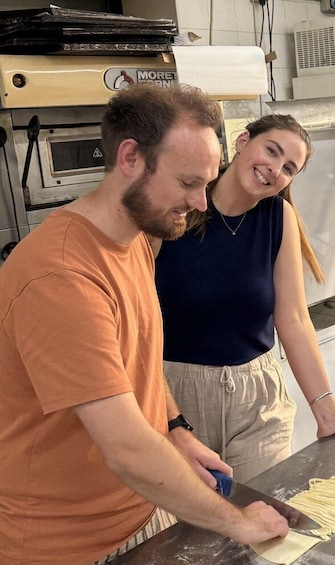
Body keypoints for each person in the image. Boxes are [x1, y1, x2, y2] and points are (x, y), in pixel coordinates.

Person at [0, 84, 291, 564]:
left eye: (207, 182)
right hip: (63, 544)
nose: (201, 203)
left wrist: (174, 427)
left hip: (142, 515)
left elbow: (136, 362)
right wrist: (238, 523)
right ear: (131, 157)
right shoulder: (61, 274)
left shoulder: (136, 238)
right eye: (187, 183)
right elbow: (127, 449)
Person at [153, 114, 335, 483]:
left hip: (258, 396)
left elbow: (295, 319)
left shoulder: (278, 216)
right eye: (271, 150)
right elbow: (139, 313)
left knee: (261, 515)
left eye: (288, 168)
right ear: (242, 141)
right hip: (177, 392)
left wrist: (328, 414)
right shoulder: (182, 205)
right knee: (194, 531)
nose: (274, 169)